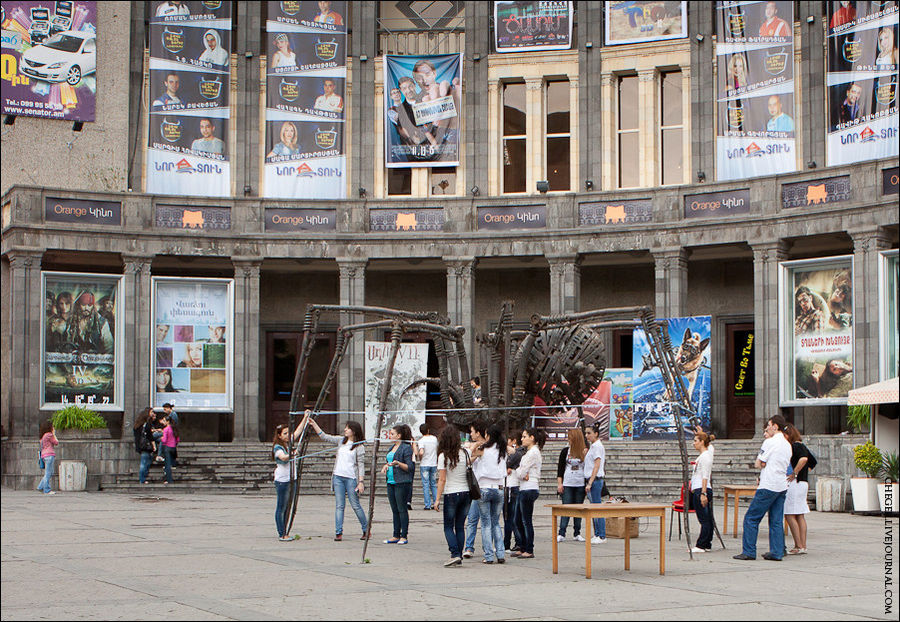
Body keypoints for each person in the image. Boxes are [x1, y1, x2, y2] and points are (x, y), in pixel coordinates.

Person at [734, 415, 793, 561]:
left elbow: (758, 463)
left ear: (775, 427)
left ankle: (749, 551)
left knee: (751, 518)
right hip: (781, 485)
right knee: (776, 520)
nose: (766, 428)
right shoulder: (787, 444)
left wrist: (763, 463)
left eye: (769, 425)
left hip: (768, 484)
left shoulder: (769, 442)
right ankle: (777, 551)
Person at [302, 412, 368, 541]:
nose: (345, 430)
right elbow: (325, 437)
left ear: (354, 431)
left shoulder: (359, 447)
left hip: (351, 479)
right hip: (338, 477)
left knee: (355, 505)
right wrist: (314, 423)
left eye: (347, 428)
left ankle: (366, 529)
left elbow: (361, 465)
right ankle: (338, 532)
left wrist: (361, 482)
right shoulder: (340, 441)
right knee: (339, 505)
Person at [434, 424, 471, 567]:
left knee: (448, 526)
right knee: (460, 526)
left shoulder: (443, 456)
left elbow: (442, 479)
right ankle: (459, 554)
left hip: (451, 493)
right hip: (466, 492)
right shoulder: (465, 452)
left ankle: (454, 553)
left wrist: (437, 499)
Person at [471, 424, 507, 564]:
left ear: (489, 435)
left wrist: (477, 445)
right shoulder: (502, 450)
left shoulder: (484, 449)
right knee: (496, 523)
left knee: (486, 523)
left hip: (484, 487)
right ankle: (500, 553)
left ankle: (488, 555)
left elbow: (471, 455)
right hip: (499, 488)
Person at [512, 427, 546, 559]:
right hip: (524, 487)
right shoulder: (529, 452)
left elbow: (520, 472)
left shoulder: (533, 453)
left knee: (526, 520)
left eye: (524, 436)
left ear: (532, 438)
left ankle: (529, 548)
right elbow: (520, 472)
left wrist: (521, 473)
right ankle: (522, 545)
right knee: (518, 519)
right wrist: (521, 473)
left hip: (529, 487)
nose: (522, 439)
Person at [380, 424, 414, 544]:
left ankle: (403, 535)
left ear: (399, 435)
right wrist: (386, 466)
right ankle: (395, 534)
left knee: (402, 508)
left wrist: (398, 463)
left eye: (393, 434)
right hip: (391, 481)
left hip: (402, 482)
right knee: (394, 509)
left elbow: (410, 467)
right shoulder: (391, 448)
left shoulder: (406, 448)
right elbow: (389, 462)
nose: (391, 435)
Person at [272, 423, 304, 541]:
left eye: (288, 433)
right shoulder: (277, 447)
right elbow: (283, 458)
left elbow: (298, 432)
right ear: (279, 436)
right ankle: (282, 533)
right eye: (284, 433)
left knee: (288, 506)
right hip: (282, 481)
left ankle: (285, 531)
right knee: (281, 506)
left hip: (292, 479)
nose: (288, 435)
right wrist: (292, 454)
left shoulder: (287, 444)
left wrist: (306, 418)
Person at [556, 427, 588, 542]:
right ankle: (562, 533)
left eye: (570, 438)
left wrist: (587, 484)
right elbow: (560, 469)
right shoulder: (565, 451)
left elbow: (588, 468)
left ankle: (577, 532)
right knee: (566, 508)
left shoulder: (584, 451)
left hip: (580, 483)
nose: (569, 440)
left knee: (579, 509)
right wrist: (560, 484)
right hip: (568, 482)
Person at [783, 423, 811, 555]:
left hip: (795, 483)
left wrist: (795, 472)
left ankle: (798, 545)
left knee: (789, 513)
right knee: (800, 514)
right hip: (803, 482)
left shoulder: (795, 446)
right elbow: (812, 462)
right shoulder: (803, 446)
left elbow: (804, 459)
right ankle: (803, 545)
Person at [461, 421, 487, 558]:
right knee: (472, 518)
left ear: (478, 433)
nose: (470, 434)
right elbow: (466, 461)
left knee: (486, 520)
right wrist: (474, 451)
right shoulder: (472, 447)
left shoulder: (489, 447)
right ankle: (469, 547)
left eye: (472, 431)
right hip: (475, 487)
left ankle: (486, 547)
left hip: (486, 486)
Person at [690, 430, 716, 553]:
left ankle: (701, 544)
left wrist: (703, 493)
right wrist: (701, 433)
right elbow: (710, 445)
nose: (693, 443)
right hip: (699, 487)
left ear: (701, 442)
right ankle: (707, 542)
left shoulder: (705, 457)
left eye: (696, 441)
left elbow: (705, 476)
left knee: (704, 518)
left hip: (701, 488)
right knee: (707, 518)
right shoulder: (707, 453)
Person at [584, 423, 607, 544]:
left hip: (595, 480)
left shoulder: (597, 446)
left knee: (597, 507)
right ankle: (597, 533)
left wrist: (590, 482)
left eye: (589, 433)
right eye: (586, 433)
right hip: (591, 479)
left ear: (596, 434)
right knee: (594, 507)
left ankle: (601, 535)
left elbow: (597, 465)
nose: (587, 435)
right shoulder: (593, 446)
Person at [504, 430, 525, 554]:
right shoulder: (517, 453)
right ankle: (517, 543)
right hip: (510, 486)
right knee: (512, 517)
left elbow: (509, 462)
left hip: (513, 487)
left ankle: (518, 543)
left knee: (512, 518)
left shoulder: (519, 452)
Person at [133, 407, 157, 484]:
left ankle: (142, 479)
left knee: (145, 462)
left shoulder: (138, 425)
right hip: (146, 446)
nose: (153, 414)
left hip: (140, 445)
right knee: (144, 463)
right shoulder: (147, 424)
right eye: (151, 412)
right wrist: (154, 445)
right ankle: (142, 479)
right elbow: (150, 436)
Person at [417, 422, 438, 510]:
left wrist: (420, 457)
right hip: (433, 463)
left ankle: (427, 504)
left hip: (425, 463)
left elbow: (421, 452)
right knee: (433, 484)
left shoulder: (421, 440)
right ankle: (436, 502)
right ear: (428, 430)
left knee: (426, 484)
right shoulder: (434, 439)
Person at [37, 420, 59, 494]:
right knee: (48, 473)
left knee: (49, 472)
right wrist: (54, 434)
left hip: (44, 455)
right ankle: (47, 490)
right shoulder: (49, 435)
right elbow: (56, 442)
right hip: (49, 454)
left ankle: (40, 486)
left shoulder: (43, 436)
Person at [159, 415, 179, 485]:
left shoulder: (166, 429)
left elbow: (164, 440)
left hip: (167, 447)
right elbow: (177, 439)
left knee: (167, 465)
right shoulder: (174, 428)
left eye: (164, 421)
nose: (163, 422)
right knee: (171, 462)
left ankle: (169, 479)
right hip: (173, 447)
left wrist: (161, 439)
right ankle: (174, 465)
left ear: (167, 422)